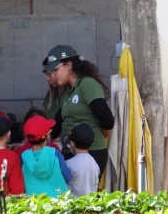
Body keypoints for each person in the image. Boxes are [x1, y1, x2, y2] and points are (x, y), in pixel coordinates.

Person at [43, 45, 114, 178]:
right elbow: (57, 124)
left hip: (90, 152)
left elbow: (107, 120)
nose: (52, 75)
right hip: (70, 151)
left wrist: (95, 138)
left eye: (55, 70)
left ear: (69, 65)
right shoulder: (67, 92)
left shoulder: (87, 84)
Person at [21, 115, 71, 198]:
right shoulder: (55, 153)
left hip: (33, 204)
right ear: (47, 136)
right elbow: (67, 176)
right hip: (58, 202)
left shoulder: (23, 157)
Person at [66, 124, 100, 197]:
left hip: (73, 206)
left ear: (71, 143)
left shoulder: (69, 164)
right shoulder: (94, 163)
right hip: (90, 205)